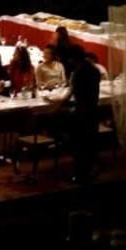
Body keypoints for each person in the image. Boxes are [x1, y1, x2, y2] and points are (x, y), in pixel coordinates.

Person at [45, 44, 101, 183]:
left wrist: (56, 107)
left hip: (81, 113)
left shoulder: (78, 72)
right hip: (93, 111)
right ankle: (86, 171)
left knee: (74, 140)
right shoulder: (94, 70)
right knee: (87, 145)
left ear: (72, 59)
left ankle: (78, 172)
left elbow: (70, 96)